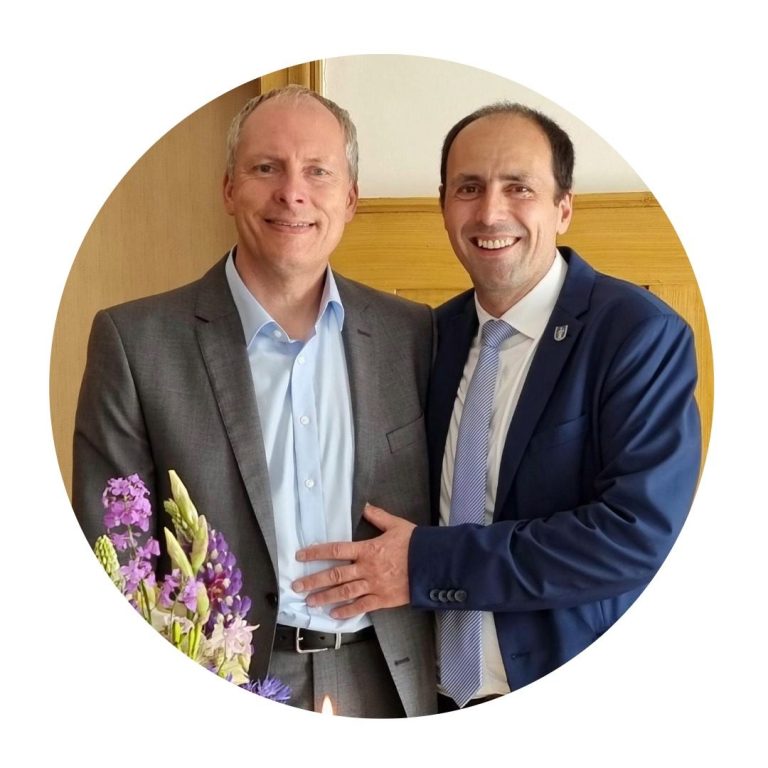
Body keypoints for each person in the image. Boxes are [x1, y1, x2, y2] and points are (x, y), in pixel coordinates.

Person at [293, 102, 702, 712]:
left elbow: (635, 536)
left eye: (519, 187)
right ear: (443, 206)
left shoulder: (637, 334)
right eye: (469, 188)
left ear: (563, 207)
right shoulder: (429, 335)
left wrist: (427, 564)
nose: (489, 212)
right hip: (424, 695)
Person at [72, 85, 436, 718]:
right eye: (266, 168)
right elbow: (115, 557)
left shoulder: (415, 334)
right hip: (219, 680)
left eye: (318, 171)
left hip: (391, 683)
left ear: (350, 199)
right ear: (229, 188)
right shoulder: (135, 342)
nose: (292, 193)